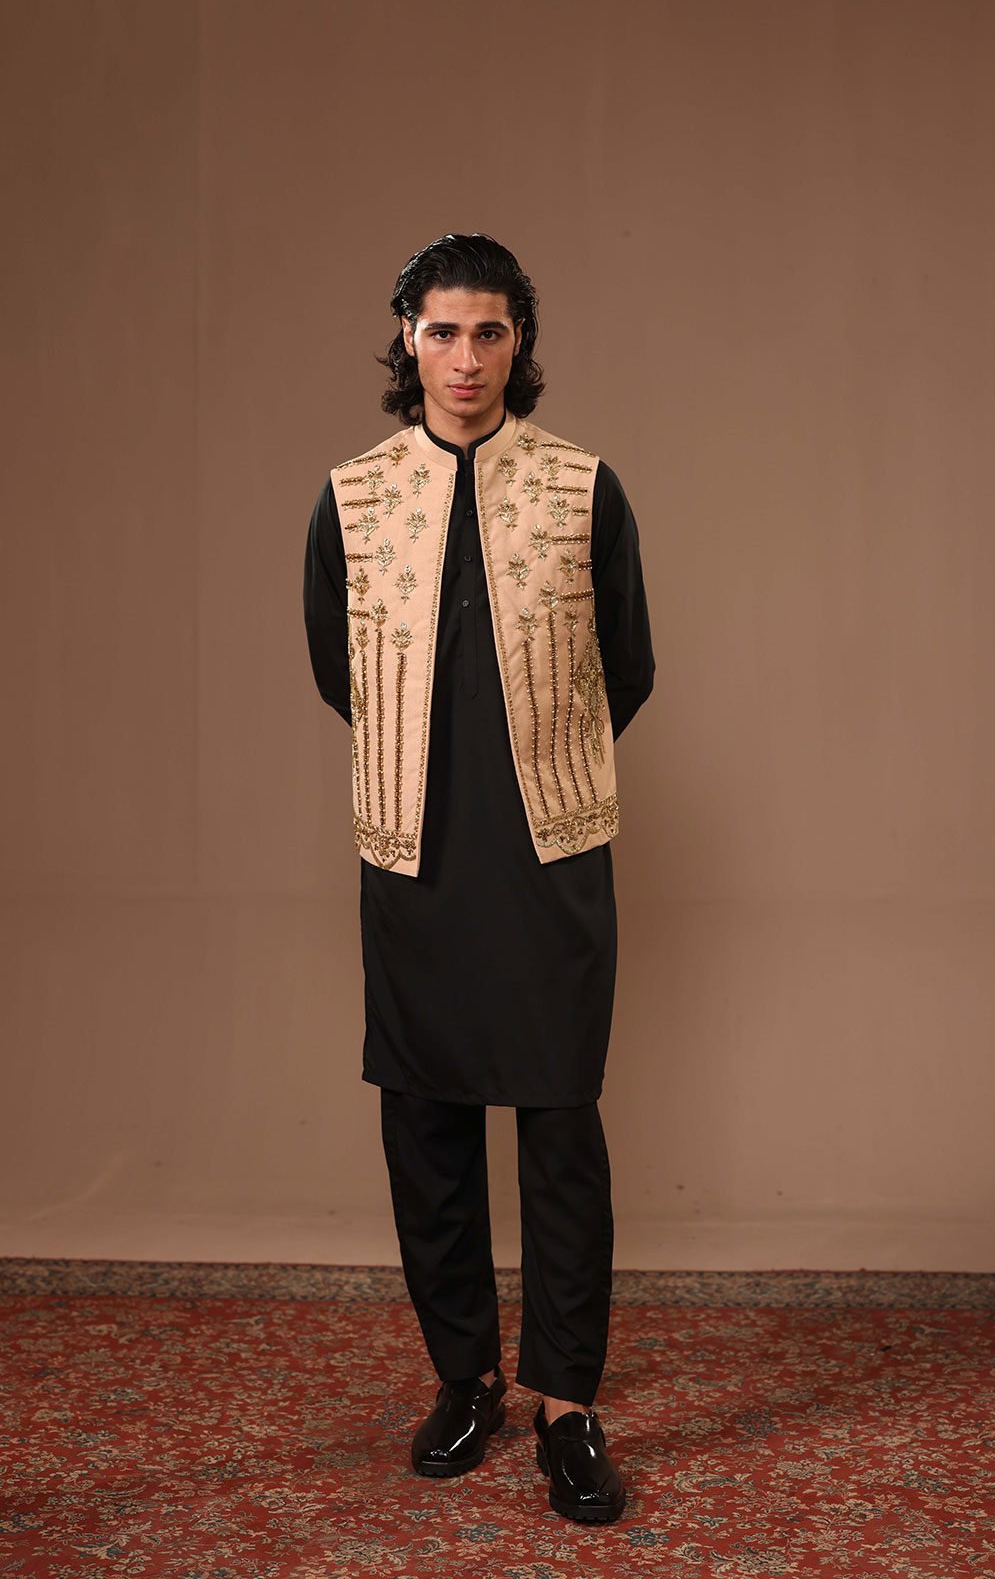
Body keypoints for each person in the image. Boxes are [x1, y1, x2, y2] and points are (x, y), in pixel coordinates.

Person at [302, 232, 655, 1523]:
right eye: (442, 331)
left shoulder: (582, 487)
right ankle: (465, 1379)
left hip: (552, 849)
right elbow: (335, 669)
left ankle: (566, 1404)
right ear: (408, 338)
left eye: (490, 332)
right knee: (427, 1124)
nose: (465, 357)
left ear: (520, 344)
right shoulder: (353, 498)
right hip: (414, 849)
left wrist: (537, 762)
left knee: (560, 1126)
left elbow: (629, 663)